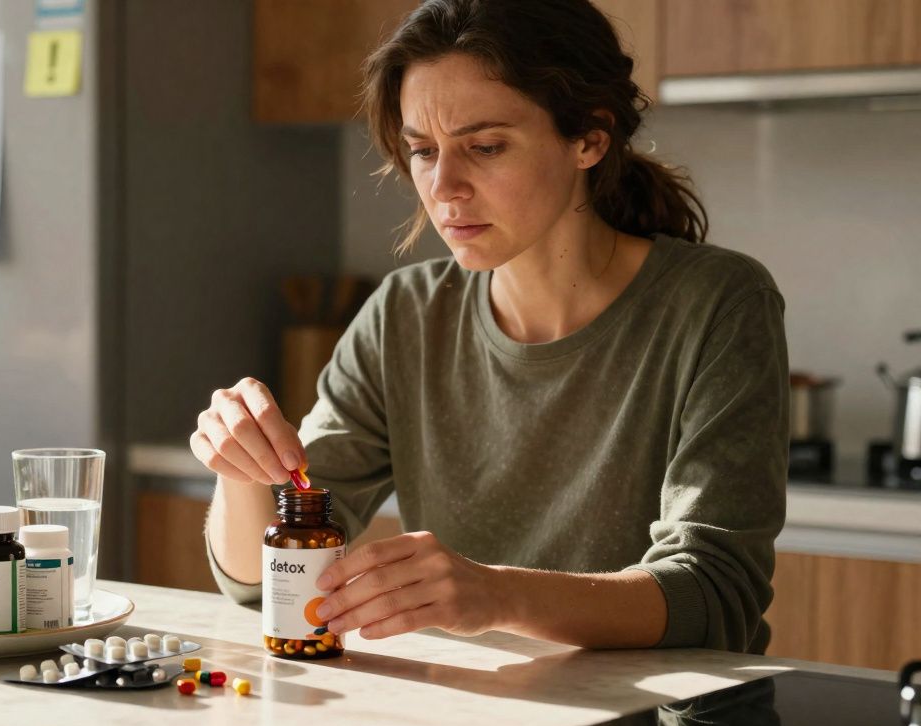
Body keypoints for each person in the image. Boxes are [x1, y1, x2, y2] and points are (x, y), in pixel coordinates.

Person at [191, 0, 787, 654]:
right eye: (422, 151)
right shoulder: (404, 314)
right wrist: (239, 470)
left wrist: (497, 595)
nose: (444, 186)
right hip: (478, 708)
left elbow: (716, 591)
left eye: (485, 146)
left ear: (589, 136)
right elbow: (260, 585)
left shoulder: (717, 300)